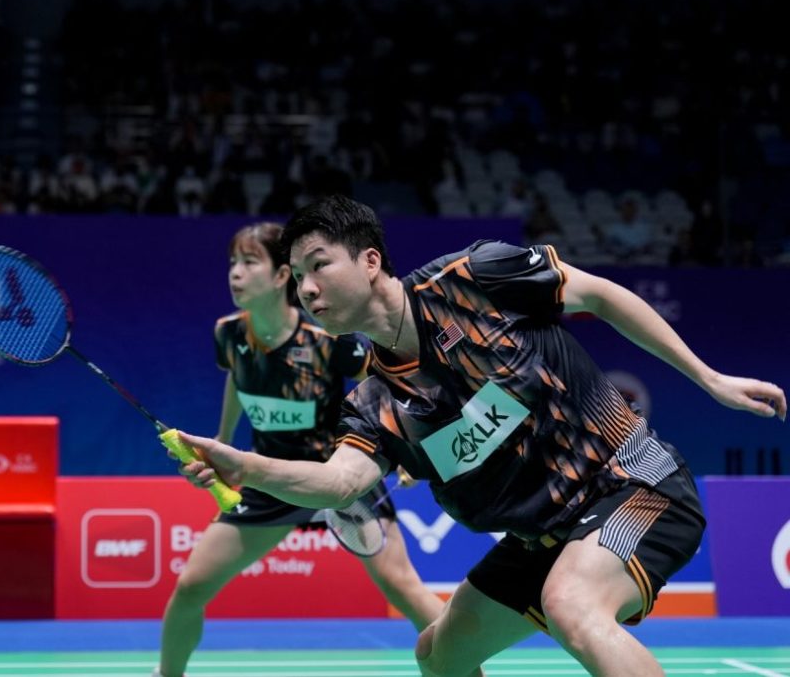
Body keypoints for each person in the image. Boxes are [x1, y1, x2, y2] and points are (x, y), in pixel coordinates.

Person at [173, 196, 787, 677]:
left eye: (319, 265)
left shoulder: (473, 278)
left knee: (571, 605)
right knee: (438, 655)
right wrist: (244, 466)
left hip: (630, 483)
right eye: (300, 275)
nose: (306, 289)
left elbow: (599, 296)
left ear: (369, 261)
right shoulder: (375, 403)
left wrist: (708, 378)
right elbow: (339, 482)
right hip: (540, 536)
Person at [154, 221, 443, 677]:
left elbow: (388, 382)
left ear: (280, 276)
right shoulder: (228, 334)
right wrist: (224, 439)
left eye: (250, 262)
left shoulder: (326, 341)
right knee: (191, 586)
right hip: (269, 478)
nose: (235, 273)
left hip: (340, 473)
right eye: (232, 262)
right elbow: (237, 379)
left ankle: (468, 665)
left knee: (400, 584)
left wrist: (405, 446)